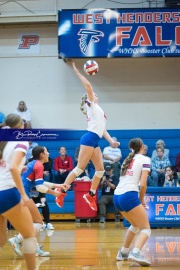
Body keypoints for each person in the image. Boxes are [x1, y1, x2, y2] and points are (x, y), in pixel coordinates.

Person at [56, 62, 120, 211]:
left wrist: (111, 141)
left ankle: (91, 195)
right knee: (79, 169)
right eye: (93, 94)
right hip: (89, 138)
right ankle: (62, 192)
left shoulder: (99, 110)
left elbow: (102, 129)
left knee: (100, 171)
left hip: (95, 140)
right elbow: (89, 87)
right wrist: (78, 73)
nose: (95, 94)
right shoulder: (90, 104)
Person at [8, 146, 69, 257]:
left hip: (18, 193)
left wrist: (59, 185)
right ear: (41, 154)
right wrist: (54, 193)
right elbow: (39, 187)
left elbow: (41, 182)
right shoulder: (39, 165)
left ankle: (34, 249)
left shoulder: (34, 164)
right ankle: (17, 239)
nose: (48, 154)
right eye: (46, 151)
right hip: (22, 194)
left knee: (33, 223)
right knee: (39, 222)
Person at [0, 114, 36, 270]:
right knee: (29, 236)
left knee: (1, 239)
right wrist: (23, 194)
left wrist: (18, 167)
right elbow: (12, 167)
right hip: (7, 193)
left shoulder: (3, 141)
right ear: (21, 127)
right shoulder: (21, 140)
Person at [114, 138, 151, 266]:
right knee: (146, 229)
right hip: (129, 195)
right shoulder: (145, 159)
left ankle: (123, 252)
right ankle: (135, 252)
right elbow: (143, 184)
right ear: (142, 146)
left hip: (117, 197)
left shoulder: (127, 159)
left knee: (135, 225)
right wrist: (141, 199)